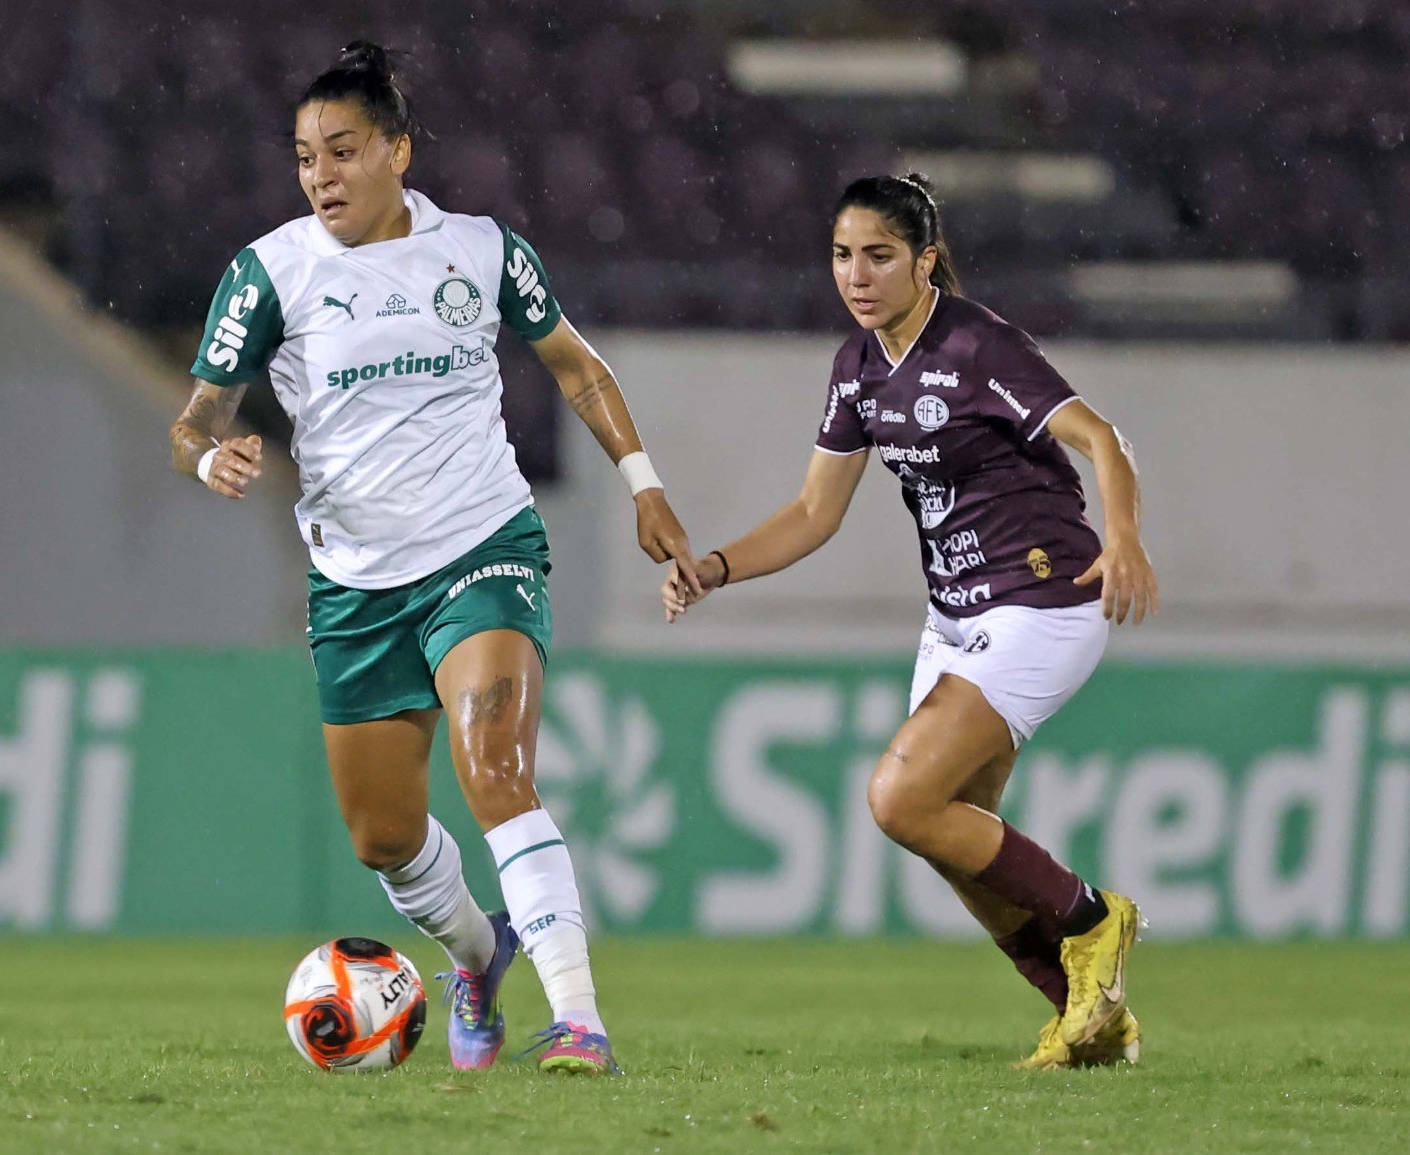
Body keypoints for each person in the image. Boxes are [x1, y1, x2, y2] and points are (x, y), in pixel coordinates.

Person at [169, 41, 700, 1076]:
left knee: (494, 770)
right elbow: (194, 418)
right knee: (382, 838)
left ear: (398, 151)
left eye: (342, 150)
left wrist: (645, 485)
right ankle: (477, 951)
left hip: (480, 545)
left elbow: (575, 368)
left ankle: (579, 1018)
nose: (320, 175)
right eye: (304, 157)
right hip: (356, 580)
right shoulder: (270, 272)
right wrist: (209, 459)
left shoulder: (482, 252)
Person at [662, 173, 1161, 1070]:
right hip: (954, 617)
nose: (857, 275)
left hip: (1042, 601)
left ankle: (1095, 920)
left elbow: (1102, 438)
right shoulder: (856, 367)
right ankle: (1091, 1016)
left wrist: (1123, 536)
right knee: (961, 840)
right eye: (843, 256)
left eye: (880, 256)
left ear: (925, 261)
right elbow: (815, 513)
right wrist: (717, 568)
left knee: (900, 799)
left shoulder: (977, 345)